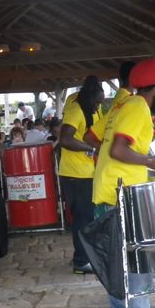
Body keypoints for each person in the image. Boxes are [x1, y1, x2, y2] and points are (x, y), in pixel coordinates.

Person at [92, 57, 155, 308]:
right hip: (122, 193)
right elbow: (118, 149)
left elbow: (104, 142)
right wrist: (152, 162)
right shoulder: (138, 106)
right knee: (136, 261)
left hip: (110, 189)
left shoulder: (123, 105)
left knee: (119, 261)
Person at [59, 75, 104, 275]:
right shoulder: (76, 110)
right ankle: (81, 262)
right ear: (88, 98)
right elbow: (65, 139)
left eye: (100, 103)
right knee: (83, 218)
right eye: (96, 103)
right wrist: (90, 148)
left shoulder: (90, 107)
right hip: (75, 174)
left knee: (88, 217)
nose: (97, 107)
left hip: (87, 172)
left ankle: (87, 256)